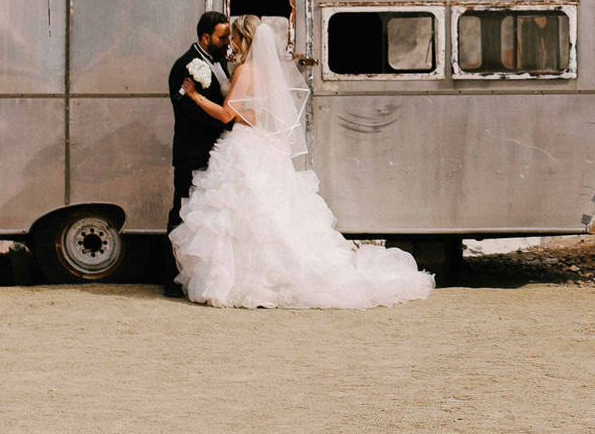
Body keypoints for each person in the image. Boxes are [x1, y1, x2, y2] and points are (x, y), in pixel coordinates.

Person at [170, 16, 435, 309]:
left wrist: (194, 96)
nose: (230, 42)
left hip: (245, 146)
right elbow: (255, 113)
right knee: (264, 214)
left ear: (245, 40)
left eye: (233, 37)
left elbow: (225, 116)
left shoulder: (245, 70)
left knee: (240, 218)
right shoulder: (263, 72)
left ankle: (240, 278)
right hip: (263, 145)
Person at [162, 11, 239, 299]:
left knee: (206, 217)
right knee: (182, 212)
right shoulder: (185, 67)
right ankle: (171, 276)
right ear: (206, 38)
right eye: (223, 37)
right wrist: (227, 121)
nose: (227, 41)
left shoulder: (219, 61)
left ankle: (199, 275)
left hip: (217, 152)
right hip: (191, 152)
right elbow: (189, 114)